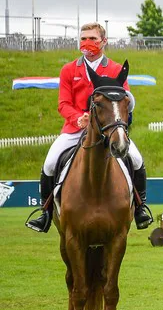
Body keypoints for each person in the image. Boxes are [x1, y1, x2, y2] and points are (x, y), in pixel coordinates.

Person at [25, 22, 153, 233]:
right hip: (74, 130)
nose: (87, 43)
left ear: (104, 42)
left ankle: (140, 208)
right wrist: (78, 119)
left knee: (137, 159)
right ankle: (45, 213)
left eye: (92, 39)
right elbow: (63, 104)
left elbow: (127, 99)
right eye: (83, 38)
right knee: (49, 163)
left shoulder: (115, 69)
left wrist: (121, 103)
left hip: (107, 130)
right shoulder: (68, 70)